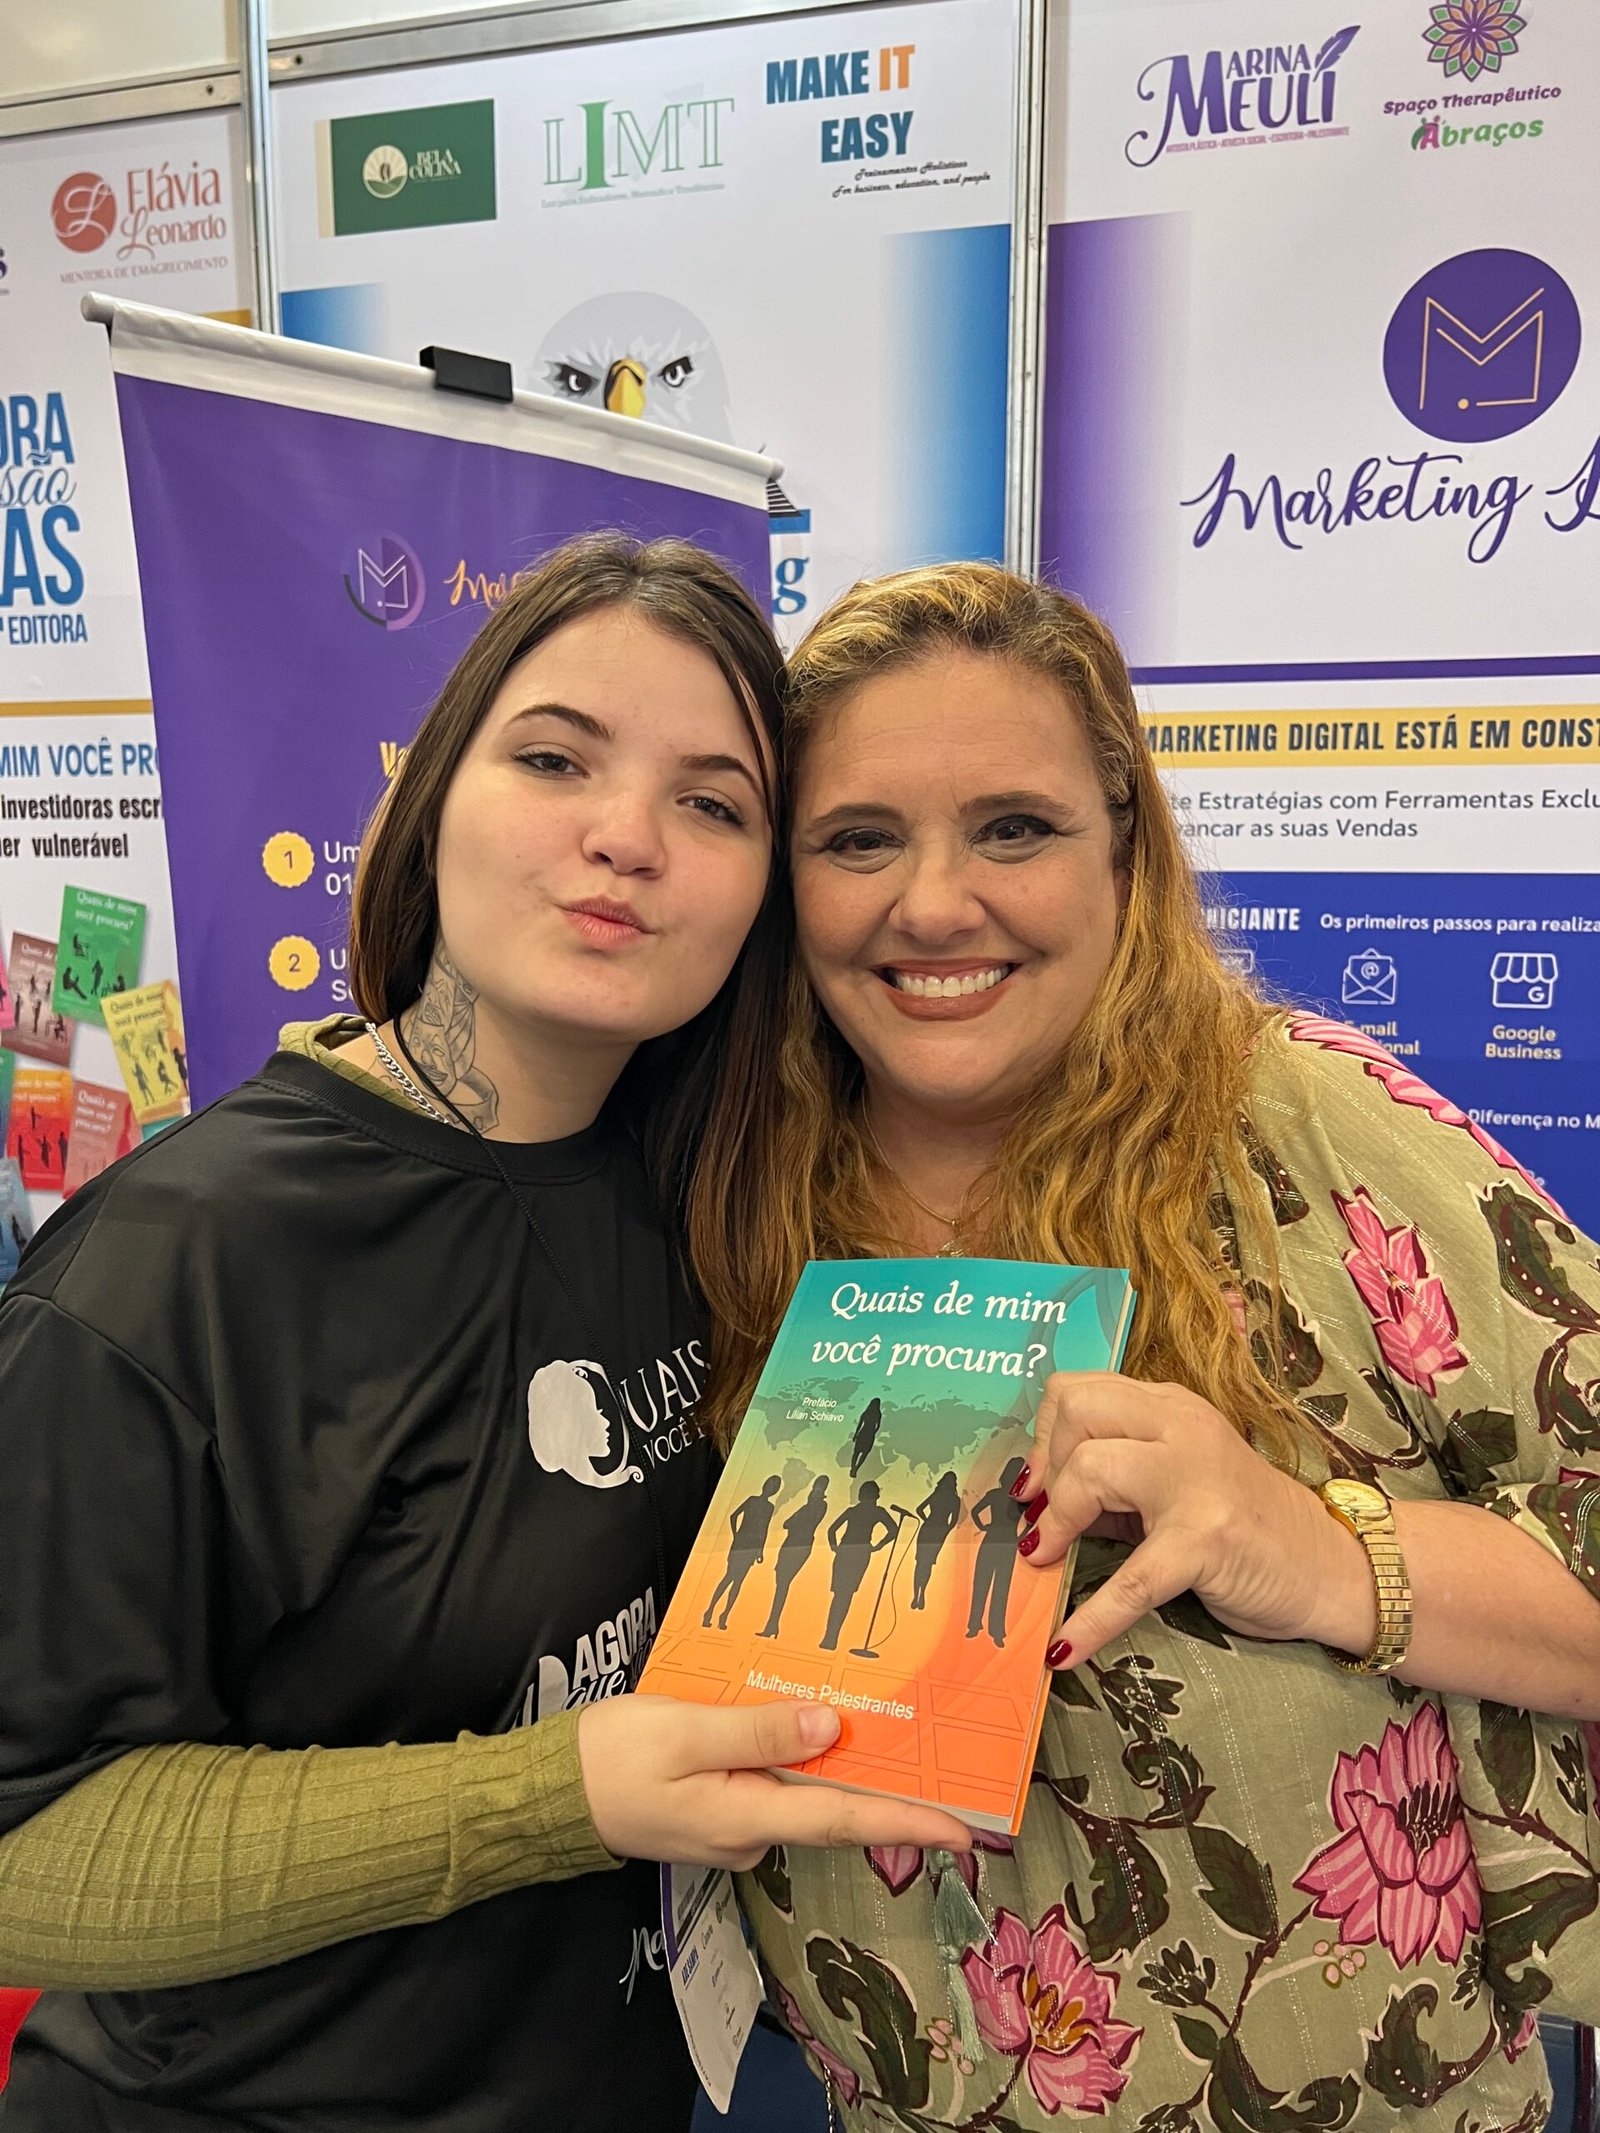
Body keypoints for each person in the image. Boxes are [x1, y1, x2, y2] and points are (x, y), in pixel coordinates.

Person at [0, 535, 968, 2133]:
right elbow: (23, 1853)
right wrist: (556, 1795)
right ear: (433, 795)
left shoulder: (703, 1193)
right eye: (554, 759)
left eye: (714, 804)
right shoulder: (183, 1262)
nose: (625, 836)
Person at [693, 563, 1600, 2131]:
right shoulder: (725, 1186)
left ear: (1126, 844)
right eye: (859, 839)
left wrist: (1323, 1551)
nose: (933, 903)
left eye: (1015, 828)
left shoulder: (1308, 1132)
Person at [819, 1480, 899, 1652]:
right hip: (858, 1552)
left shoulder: (855, 1511)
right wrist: (877, 1546)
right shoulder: (875, 1511)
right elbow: (893, 1530)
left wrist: (835, 1547)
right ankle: (831, 1636)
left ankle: (830, 1636)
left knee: (841, 1595)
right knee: (844, 1595)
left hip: (848, 1551)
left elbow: (831, 1530)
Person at [703, 1474, 782, 1628]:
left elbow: (764, 1529)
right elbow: (733, 1516)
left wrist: (760, 1550)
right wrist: (736, 1535)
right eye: (770, 1484)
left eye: (774, 1487)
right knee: (729, 1578)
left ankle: (724, 1616)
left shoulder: (769, 1507)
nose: (770, 1488)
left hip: (750, 1547)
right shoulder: (752, 1500)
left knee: (737, 1582)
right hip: (740, 1544)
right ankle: (710, 1611)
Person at [759, 1475, 831, 1637]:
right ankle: (772, 1624)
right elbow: (786, 1523)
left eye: (818, 1487)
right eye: (815, 1486)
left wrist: (797, 1521)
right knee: (781, 1585)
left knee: (783, 1585)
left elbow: (802, 1522)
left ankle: (772, 1624)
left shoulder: (819, 1506)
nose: (815, 1490)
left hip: (799, 1545)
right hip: (791, 1543)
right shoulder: (807, 1507)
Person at [965, 1455, 1026, 1646]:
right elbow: (975, 1512)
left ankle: (979, 1627)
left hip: (995, 1541)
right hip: (1005, 1543)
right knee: (998, 1587)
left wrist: (984, 1526)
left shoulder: (1001, 1496)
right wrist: (1020, 1538)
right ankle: (992, 1631)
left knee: (985, 1584)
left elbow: (975, 1512)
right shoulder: (1019, 1499)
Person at [910, 1469, 961, 1608]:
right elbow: (953, 1521)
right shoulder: (954, 1500)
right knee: (926, 1563)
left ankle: (917, 1595)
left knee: (921, 1563)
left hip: (928, 1528)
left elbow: (920, 1509)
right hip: (938, 1531)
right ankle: (920, 1594)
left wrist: (927, 1520)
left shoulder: (939, 1495)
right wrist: (944, 1531)